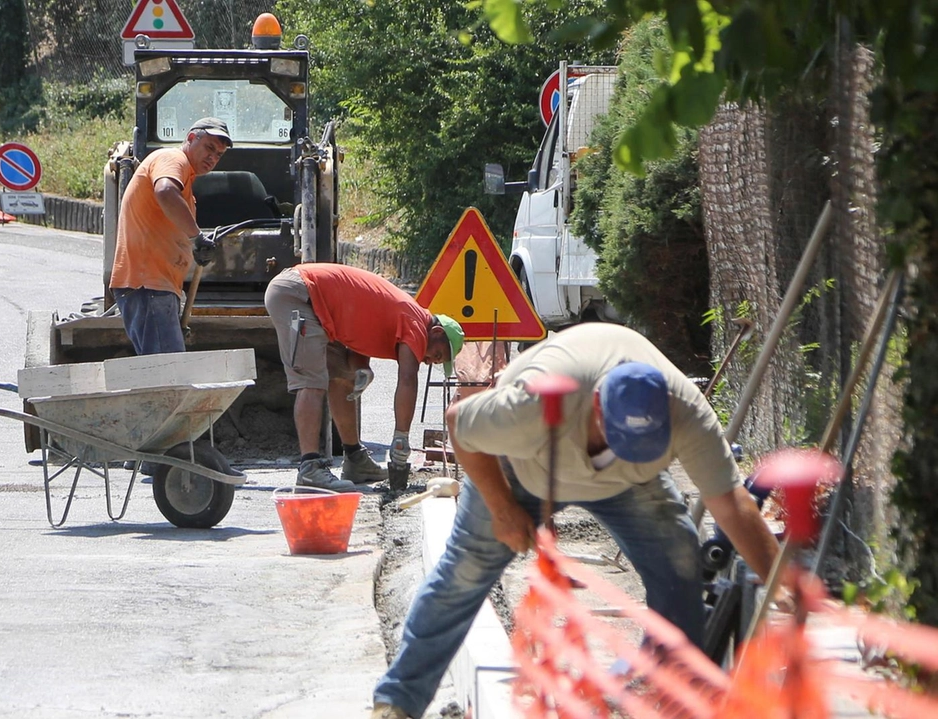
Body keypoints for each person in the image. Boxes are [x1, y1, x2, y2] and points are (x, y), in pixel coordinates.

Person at [370, 323, 780, 719]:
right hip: (521, 467)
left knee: (681, 562)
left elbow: (732, 504)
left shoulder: (685, 412)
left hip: (628, 484)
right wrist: (503, 509)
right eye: (620, 441)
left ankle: (670, 698)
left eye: (642, 445)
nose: (626, 450)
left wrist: (785, 584)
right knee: (465, 571)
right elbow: (460, 424)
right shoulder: (530, 405)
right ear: (599, 408)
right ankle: (398, 702)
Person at [264, 263, 465, 493]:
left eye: (437, 362)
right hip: (299, 295)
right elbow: (408, 379)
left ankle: (355, 459)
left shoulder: (403, 318)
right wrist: (401, 440)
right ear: (436, 332)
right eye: (436, 354)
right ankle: (309, 469)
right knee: (311, 382)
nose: (429, 360)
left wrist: (362, 368)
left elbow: (362, 328)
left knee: (343, 379)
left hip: (315, 303)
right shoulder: (416, 323)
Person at [109, 117, 232, 355]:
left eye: (219, 154)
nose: (213, 158)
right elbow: (165, 191)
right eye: (209, 148)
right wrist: (197, 238)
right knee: (168, 376)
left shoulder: (187, 183)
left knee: (163, 372)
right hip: (148, 285)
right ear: (190, 139)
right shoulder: (172, 159)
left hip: (155, 286)